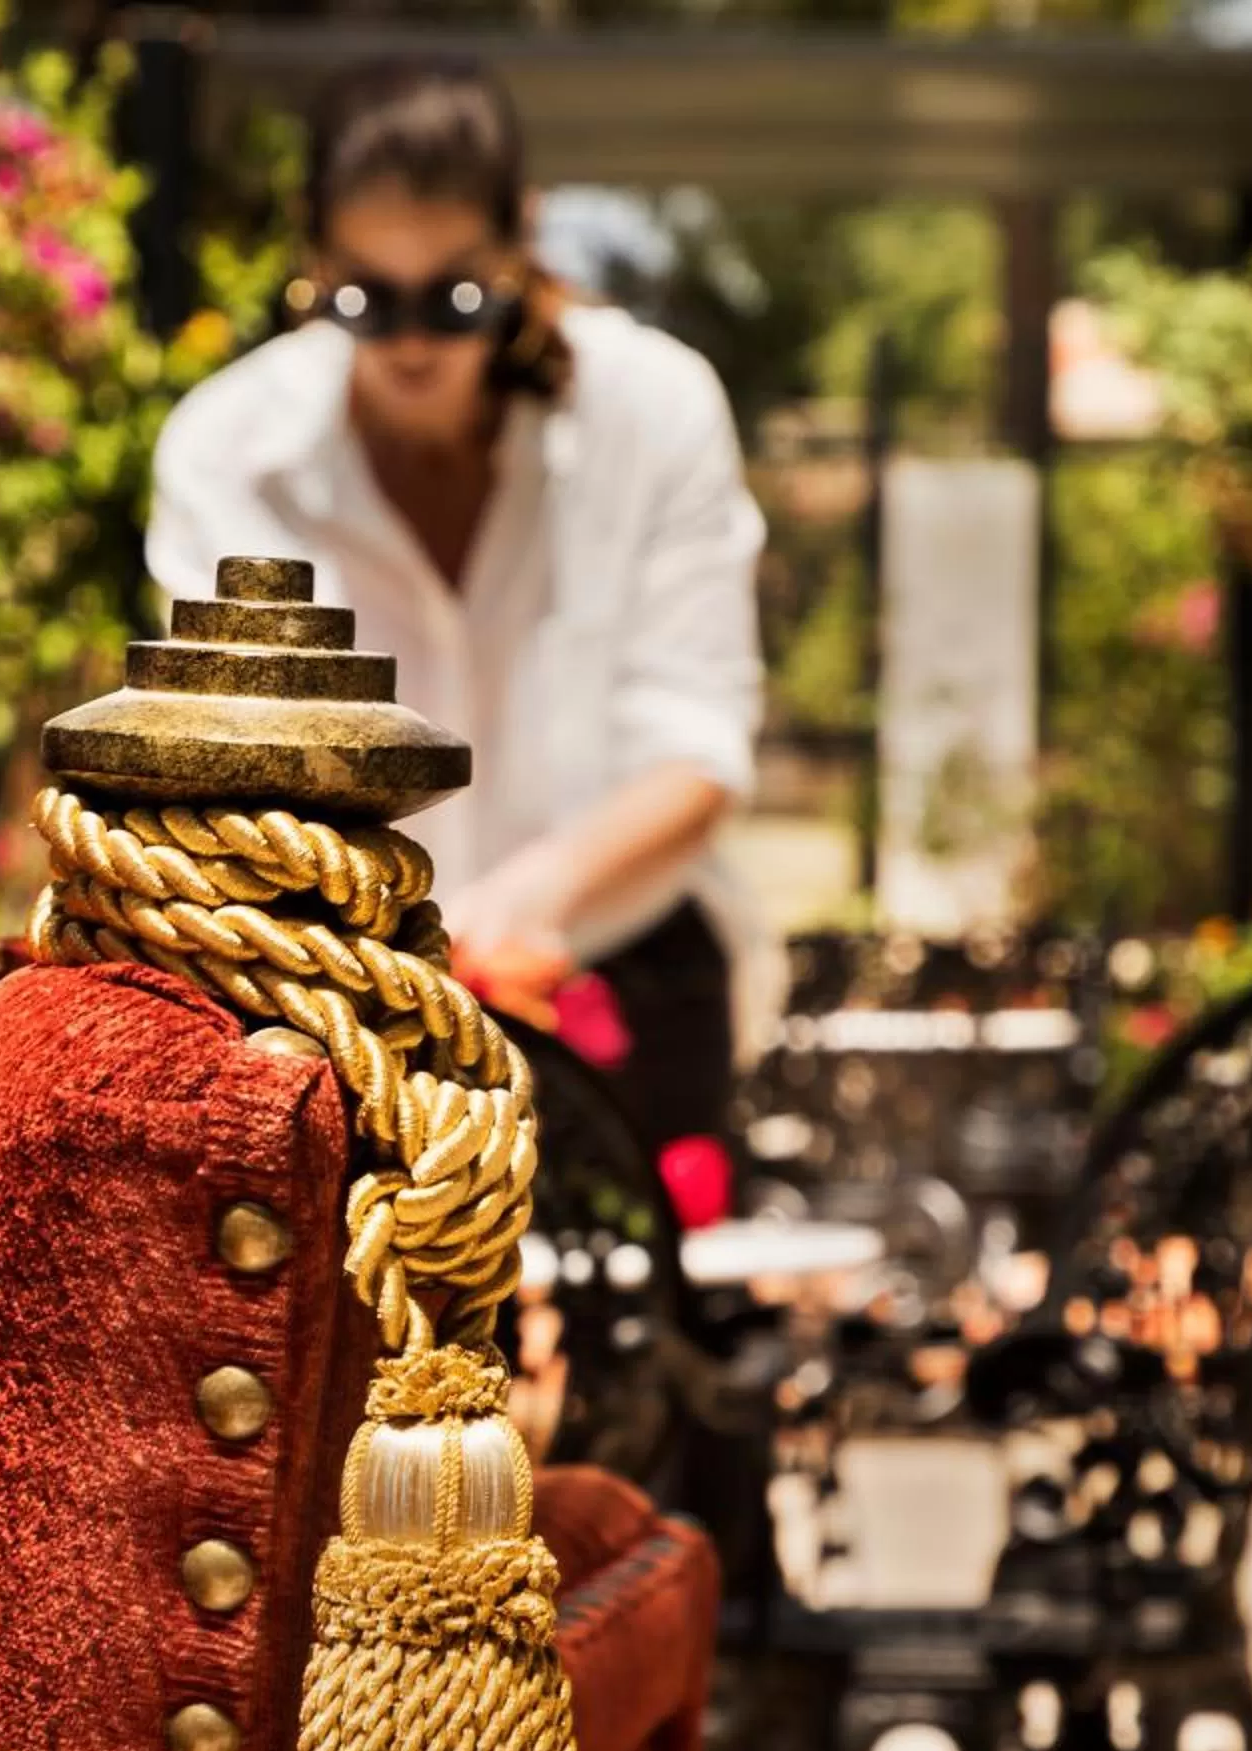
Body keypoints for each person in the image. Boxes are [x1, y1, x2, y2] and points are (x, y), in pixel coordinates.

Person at [146, 54, 768, 1189]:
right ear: (314, 258)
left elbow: (699, 745)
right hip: (329, 1017)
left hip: (614, 989)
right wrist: (407, 968)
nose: (415, 342)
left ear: (522, 244)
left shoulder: (655, 411)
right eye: (366, 302)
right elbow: (225, 776)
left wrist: (513, 914)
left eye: (457, 297)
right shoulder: (227, 451)